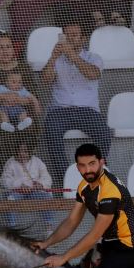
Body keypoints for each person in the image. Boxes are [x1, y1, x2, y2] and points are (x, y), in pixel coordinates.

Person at [41, 21, 111, 184]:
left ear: (83, 39)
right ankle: (66, 180)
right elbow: (45, 81)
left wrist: (73, 56)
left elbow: (93, 74)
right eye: (66, 36)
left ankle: (95, 175)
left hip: (87, 111)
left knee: (104, 133)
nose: (70, 39)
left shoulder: (94, 58)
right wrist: (53, 58)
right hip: (60, 110)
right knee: (51, 132)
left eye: (74, 35)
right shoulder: (56, 59)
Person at [0, 33, 39, 164]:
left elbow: (33, 97)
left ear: (14, 50)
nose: (5, 51)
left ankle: (25, 170)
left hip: (22, 112)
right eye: (0, 48)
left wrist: (17, 99)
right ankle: (0, 169)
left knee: (30, 124)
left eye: (8, 47)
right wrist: (0, 98)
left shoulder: (24, 68)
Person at [0, 140, 54, 228]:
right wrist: (20, 185)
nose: (22, 154)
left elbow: (47, 177)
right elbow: (4, 180)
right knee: (10, 199)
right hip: (17, 192)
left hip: (35, 192)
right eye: (19, 151)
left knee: (47, 198)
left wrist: (40, 184)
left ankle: (49, 226)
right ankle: (12, 227)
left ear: (30, 152)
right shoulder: (11, 162)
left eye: (25, 151)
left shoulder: (37, 161)